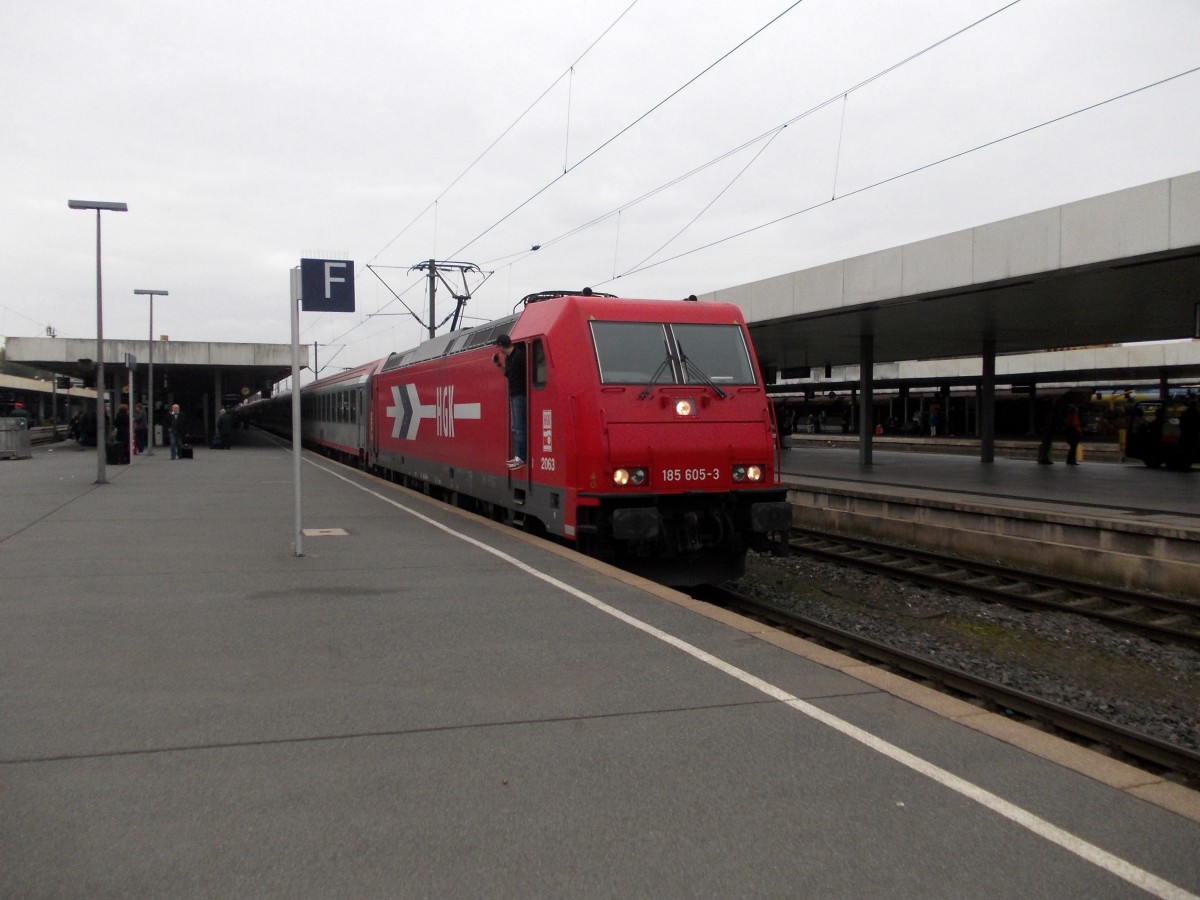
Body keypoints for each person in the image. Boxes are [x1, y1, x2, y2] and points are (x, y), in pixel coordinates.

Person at [493, 334, 527, 469]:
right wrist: (498, 364)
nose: (498, 349)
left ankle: (521, 457)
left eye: (498, 346)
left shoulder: (519, 356)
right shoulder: (508, 359)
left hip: (520, 395)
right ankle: (517, 456)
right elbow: (507, 374)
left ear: (502, 345)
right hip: (513, 395)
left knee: (519, 427)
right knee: (515, 427)